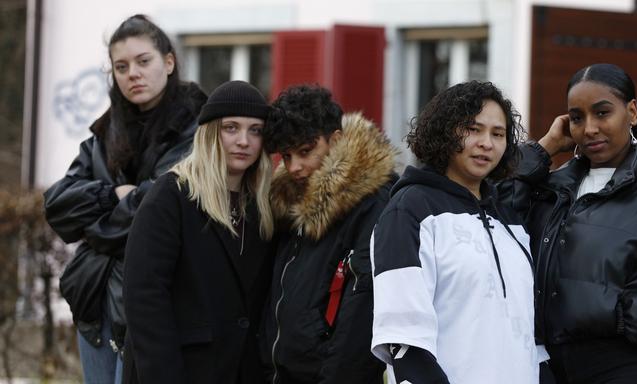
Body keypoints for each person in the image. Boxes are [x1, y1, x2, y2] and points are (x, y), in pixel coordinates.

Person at [498, 63, 637, 384]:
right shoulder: (552, 187)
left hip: (627, 367)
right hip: (545, 368)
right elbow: (493, 202)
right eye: (577, 117)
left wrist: (621, 315)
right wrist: (545, 147)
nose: (589, 128)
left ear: (631, 113)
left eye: (602, 113)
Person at [43, 14, 206, 384]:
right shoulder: (105, 133)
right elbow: (56, 205)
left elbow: (156, 212)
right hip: (95, 309)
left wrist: (92, 227)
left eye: (143, 61)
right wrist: (113, 194)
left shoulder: (197, 130)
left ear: (168, 61)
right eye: (121, 66)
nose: (132, 73)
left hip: (157, 306)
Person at [371, 81, 544, 384]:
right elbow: (403, 340)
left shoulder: (510, 220)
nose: (486, 143)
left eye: (498, 134)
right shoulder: (409, 211)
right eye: (473, 129)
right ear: (444, 132)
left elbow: (532, 336)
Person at [123, 80, 275, 384]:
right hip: (180, 371)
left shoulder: (264, 205)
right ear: (209, 133)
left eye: (255, 130)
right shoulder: (171, 195)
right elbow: (145, 299)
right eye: (231, 128)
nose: (244, 140)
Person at [260, 84, 392, 383]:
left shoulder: (372, 206)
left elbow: (362, 315)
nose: (294, 167)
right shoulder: (287, 204)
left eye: (306, 151)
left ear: (335, 141)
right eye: (286, 156)